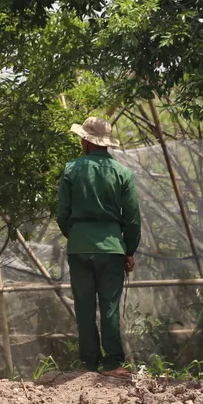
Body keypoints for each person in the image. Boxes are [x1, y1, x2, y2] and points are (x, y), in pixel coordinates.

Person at [57, 117, 141, 378]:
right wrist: (129, 250)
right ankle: (113, 363)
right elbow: (132, 217)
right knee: (110, 306)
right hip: (112, 248)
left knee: (83, 305)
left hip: (79, 247)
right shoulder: (122, 173)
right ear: (106, 144)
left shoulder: (71, 169)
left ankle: (89, 364)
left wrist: (77, 236)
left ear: (86, 140)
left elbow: (62, 213)